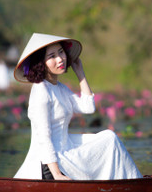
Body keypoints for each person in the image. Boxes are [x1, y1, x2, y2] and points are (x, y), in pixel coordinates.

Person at [13, 32, 141, 180]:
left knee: (110, 138)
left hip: (66, 148)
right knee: (109, 139)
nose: (60, 59)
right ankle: (129, 183)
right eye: (52, 56)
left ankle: (131, 181)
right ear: (40, 63)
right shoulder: (41, 90)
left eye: (61, 52)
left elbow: (88, 107)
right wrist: (56, 174)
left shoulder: (59, 87)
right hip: (49, 163)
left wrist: (80, 74)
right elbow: (43, 138)